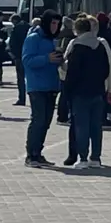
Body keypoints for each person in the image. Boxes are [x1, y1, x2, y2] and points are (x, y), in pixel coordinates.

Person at [61, 14, 111, 166]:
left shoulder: (77, 46)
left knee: (81, 126)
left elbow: (71, 72)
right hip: (98, 91)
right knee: (96, 126)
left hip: (80, 93)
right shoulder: (100, 46)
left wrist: (67, 90)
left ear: (77, 30)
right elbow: (107, 69)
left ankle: (83, 158)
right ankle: (96, 158)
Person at [22, 9, 63, 168]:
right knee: (38, 120)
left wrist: (59, 59)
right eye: (53, 23)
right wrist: (47, 58)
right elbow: (27, 60)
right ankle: (31, 155)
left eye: (57, 24)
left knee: (46, 121)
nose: (55, 27)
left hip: (51, 85)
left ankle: (38, 153)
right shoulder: (33, 38)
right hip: (37, 86)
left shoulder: (52, 40)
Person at [96, 12, 111, 127]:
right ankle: (103, 117)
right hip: (106, 68)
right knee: (105, 93)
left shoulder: (95, 35)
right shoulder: (107, 36)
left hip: (97, 69)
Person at [56, 16, 76, 125]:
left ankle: (62, 115)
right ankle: (63, 116)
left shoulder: (59, 35)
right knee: (65, 94)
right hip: (66, 68)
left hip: (62, 67)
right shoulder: (69, 38)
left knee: (64, 93)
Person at [9, 14, 30, 106]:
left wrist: (13, 55)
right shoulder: (28, 27)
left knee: (20, 79)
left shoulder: (16, 29)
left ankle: (22, 99)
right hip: (29, 55)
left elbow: (12, 43)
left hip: (19, 56)